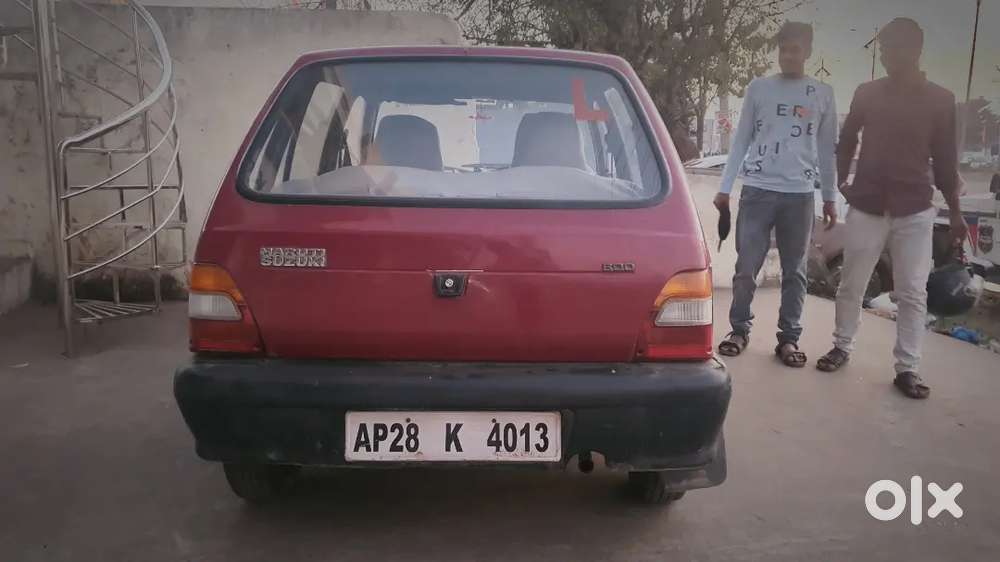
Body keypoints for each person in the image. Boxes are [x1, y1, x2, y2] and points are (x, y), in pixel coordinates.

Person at [815, 18, 968, 399]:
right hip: (867, 205)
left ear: (913, 51)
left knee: (913, 292)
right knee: (851, 283)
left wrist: (957, 212)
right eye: (882, 49)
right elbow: (846, 142)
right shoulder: (867, 93)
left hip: (915, 208)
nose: (884, 56)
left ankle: (907, 368)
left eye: (890, 49)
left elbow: (946, 162)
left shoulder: (940, 99)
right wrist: (843, 186)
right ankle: (841, 346)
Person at [714, 21, 838, 367]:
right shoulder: (759, 89)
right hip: (757, 191)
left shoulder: (822, 93)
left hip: (799, 195)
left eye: (795, 49)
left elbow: (827, 150)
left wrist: (829, 196)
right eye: (783, 49)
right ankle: (738, 330)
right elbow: (741, 140)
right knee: (745, 268)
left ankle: (788, 339)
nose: (788, 56)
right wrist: (724, 189)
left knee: (795, 272)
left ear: (808, 52)